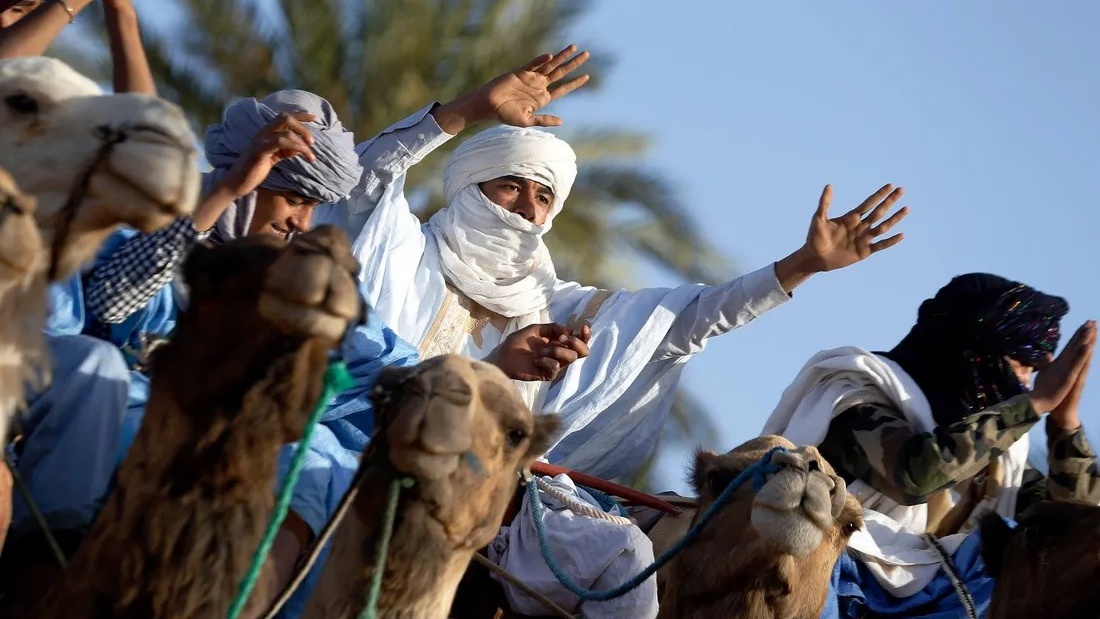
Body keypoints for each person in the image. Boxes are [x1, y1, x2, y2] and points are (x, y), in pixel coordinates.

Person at [315, 44, 911, 480]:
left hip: (472, 500)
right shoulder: (402, 248)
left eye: (543, 195)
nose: (526, 207)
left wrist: (803, 263)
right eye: (511, 186)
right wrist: (471, 107)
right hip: (347, 450)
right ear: (471, 184)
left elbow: (691, 320)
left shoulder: (563, 309)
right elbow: (365, 177)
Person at [762, 273, 1098, 618]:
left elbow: (1073, 540)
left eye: (1035, 375)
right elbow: (916, 475)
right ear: (973, 350)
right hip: (824, 586)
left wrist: (1065, 425)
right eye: (1021, 365)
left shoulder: (996, 455)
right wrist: (1035, 405)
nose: (1025, 384)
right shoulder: (858, 396)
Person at [1, 0, 156, 97]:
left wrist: (121, 11)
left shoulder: (52, 93)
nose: (5, 22)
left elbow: (144, 128)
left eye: (18, 9)